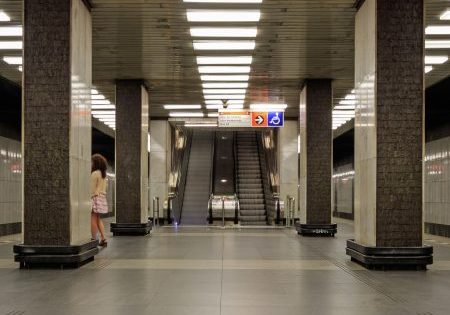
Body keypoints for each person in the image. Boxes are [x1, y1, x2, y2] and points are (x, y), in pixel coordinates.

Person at [90, 154, 109, 247]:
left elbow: (91, 189)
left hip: (95, 197)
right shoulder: (103, 175)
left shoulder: (95, 173)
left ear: (96, 163)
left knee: (93, 218)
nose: (91, 164)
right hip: (102, 198)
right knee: (98, 219)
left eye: (92, 162)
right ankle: (103, 238)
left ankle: (93, 239)